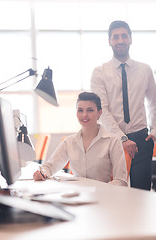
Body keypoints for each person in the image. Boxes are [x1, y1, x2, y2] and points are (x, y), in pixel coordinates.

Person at [91, 20, 156, 190]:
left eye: (124, 36)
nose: (120, 41)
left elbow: (153, 103)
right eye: (116, 37)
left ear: (130, 39)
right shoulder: (99, 72)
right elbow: (101, 110)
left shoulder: (145, 69)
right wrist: (122, 138)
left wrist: (154, 129)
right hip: (112, 140)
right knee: (113, 193)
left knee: (142, 194)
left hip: (142, 139)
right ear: (109, 41)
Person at [33, 91, 127, 186]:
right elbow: (50, 167)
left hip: (103, 196)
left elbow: (121, 181)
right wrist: (43, 173)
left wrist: (102, 190)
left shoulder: (112, 141)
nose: (84, 115)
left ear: (99, 113)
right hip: (77, 196)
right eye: (80, 110)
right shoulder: (69, 142)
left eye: (90, 110)